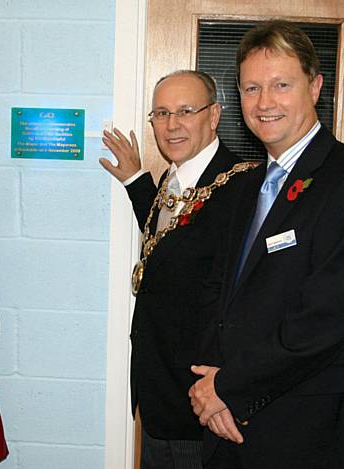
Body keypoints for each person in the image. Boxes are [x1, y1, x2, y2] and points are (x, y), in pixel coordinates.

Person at [188, 20, 344, 469]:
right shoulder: (245, 186)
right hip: (226, 419)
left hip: (303, 424)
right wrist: (209, 385)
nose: (265, 103)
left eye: (281, 85)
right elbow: (216, 292)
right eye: (251, 88)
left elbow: (324, 321)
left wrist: (228, 388)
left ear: (315, 86)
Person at [100, 70, 256, 468]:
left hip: (203, 399)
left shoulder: (245, 187)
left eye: (186, 111)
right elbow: (176, 246)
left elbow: (255, 295)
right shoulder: (176, 179)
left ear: (215, 114)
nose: (171, 125)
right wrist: (137, 181)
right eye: (161, 113)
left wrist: (231, 381)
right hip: (159, 390)